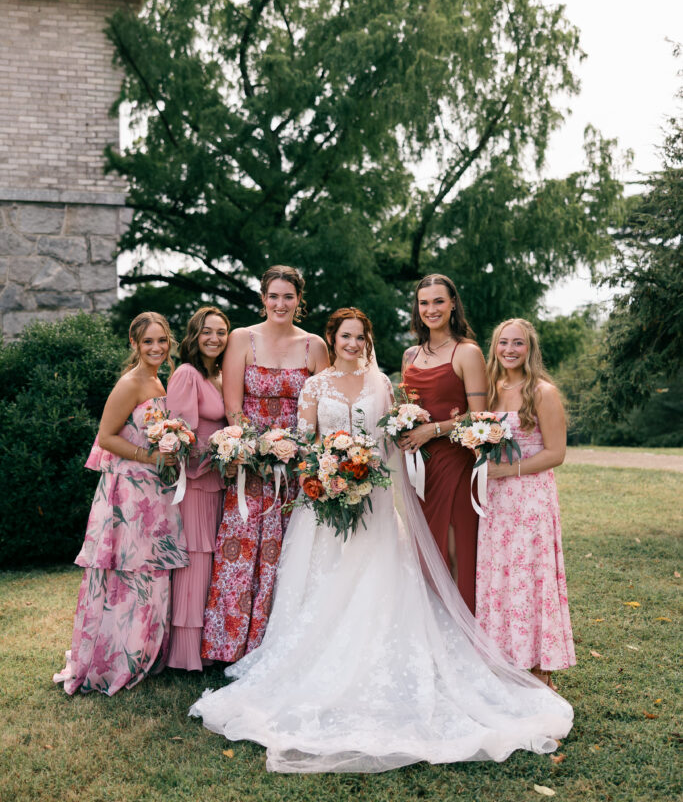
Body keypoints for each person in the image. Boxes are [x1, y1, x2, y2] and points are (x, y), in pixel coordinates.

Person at [189, 307, 573, 773]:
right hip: (323, 501)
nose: (352, 344)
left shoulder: (382, 386)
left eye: (360, 337)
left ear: (367, 342)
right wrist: (327, 471)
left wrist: (376, 459)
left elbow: (392, 441)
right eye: (345, 336)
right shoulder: (315, 386)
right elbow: (305, 443)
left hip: (372, 499)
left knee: (378, 580)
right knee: (322, 582)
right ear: (333, 340)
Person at [54, 312, 188, 696]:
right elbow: (106, 436)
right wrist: (149, 457)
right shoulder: (130, 383)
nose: (156, 347)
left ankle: (143, 653)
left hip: (155, 492)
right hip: (128, 491)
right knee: (129, 573)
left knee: (151, 571)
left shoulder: (160, 378)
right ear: (134, 344)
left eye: (161, 340)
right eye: (148, 342)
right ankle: (115, 658)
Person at [200, 265, 328, 663]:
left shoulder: (315, 346)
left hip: (296, 467)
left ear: (299, 300)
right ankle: (230, 645)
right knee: (240, 549)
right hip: (250, 466)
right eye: (274, 296)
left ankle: (280, 647)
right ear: (263, 298)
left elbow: (325, 407)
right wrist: (255, 450)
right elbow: (233, 407)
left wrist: (298, 453)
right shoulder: (242, 338)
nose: (280, 303)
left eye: (288, 296)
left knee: (288, 553)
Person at [476, 318, 576, 687]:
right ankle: (505, 663)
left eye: (518, 343)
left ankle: (540, 670)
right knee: (501, 578)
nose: (510, 350)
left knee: (530, 577)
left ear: (530, 348)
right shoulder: (488, 390)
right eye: (503, 342)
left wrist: (507, 471)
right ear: (494, 347)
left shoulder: (542, 392)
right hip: (494, 502)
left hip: (531, 498)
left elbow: (556, 453)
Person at [400, 274, 487, 614]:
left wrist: (433, 430)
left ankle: (461, 625)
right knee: (425, 550)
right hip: (419, 465)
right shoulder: (410, 355)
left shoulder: (467, 352)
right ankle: (432, 625)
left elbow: (479, 416)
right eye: (424, 302)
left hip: (455, 462)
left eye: (438, 301)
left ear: (453, 304)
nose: (431, 309)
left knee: (453, 548)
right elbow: (405, 406)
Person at [166, 306, 230, 670]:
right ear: (194, 335)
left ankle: (208, 645)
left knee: (210, 564)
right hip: (193, 482)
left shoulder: (219, 375)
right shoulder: (187, 374)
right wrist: (219, 454)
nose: (214, 338)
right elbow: (182, 437)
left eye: (221, 332)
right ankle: (185, 653)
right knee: (195, 561)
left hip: (217, 481)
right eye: (207, 331)